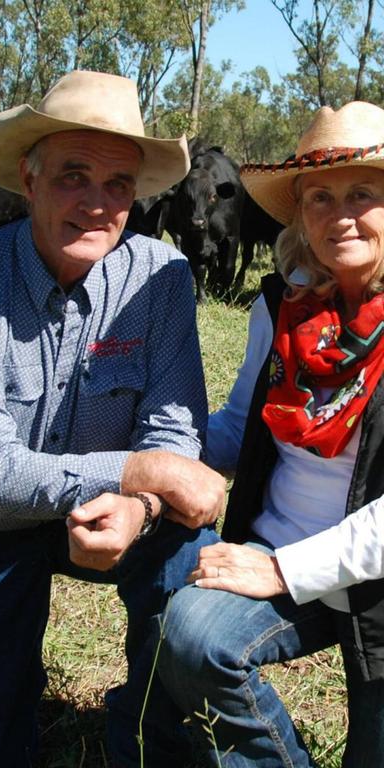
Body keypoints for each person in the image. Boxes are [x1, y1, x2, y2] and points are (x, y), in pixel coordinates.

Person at [0, 69, 227, 767]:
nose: (96, 204)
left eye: (117, 186)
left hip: (116, 504)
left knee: (185, 559)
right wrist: (146, 471)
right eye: (73, 177)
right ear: (28, 178)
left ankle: (151, 734)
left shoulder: (161, 277)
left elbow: (171, 425)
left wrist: (141, 505)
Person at [158, 101, 384, 767]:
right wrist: (150, 457)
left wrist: (281, 567)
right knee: (193, 636)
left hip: (368, 580)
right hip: (283, 548)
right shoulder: (282, 308)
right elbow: (238, 425)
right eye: (321, 196)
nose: (340, 214)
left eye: (364, 193)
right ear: (299, 215)